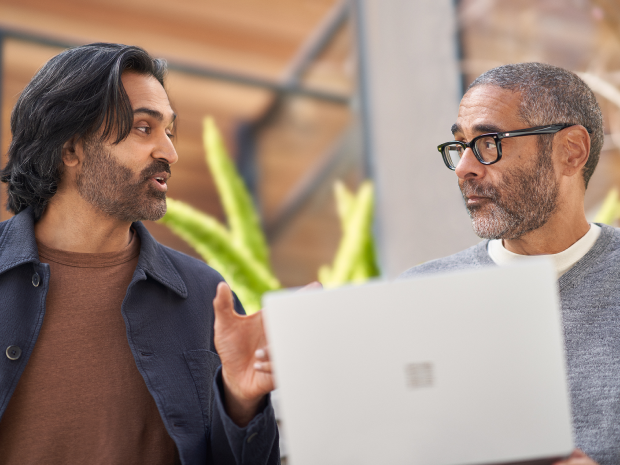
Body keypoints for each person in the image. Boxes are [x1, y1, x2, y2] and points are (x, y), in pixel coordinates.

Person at [0, 43, 279, 464]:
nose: (170, 153)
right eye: (144, 129)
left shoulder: (206, 297)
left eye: (169, 131)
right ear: (71, 148)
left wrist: (241, 404)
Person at [402, 63, 617, 465]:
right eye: (460, 146)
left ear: (571, 151)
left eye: (488, 143)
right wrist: (244, 405)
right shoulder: (415, 296)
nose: (464, 168)